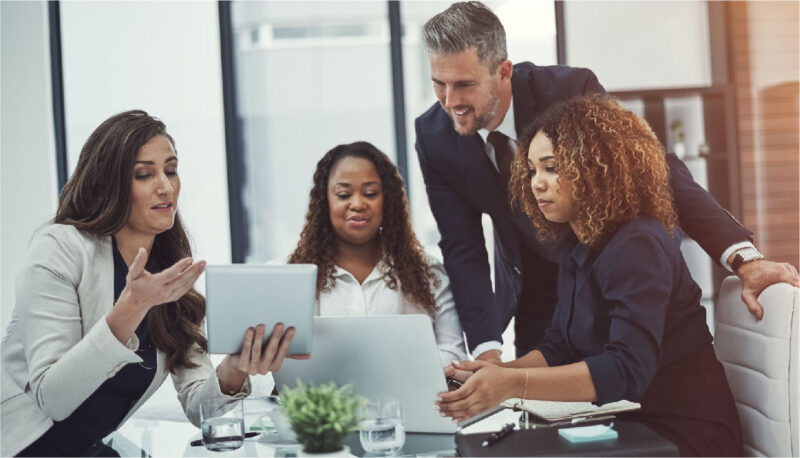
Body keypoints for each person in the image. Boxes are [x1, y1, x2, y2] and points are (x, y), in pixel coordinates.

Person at [415, 1, 800, 362]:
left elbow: (657, 170)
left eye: (463, 85)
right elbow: (462, 247)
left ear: (503, 71)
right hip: (538, 291)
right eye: (439, 84)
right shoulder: (434, 137)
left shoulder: (567, 91)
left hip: (617, 274)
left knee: (631, 390)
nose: (450, 101)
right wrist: (486, 348)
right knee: (545, 417)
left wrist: (743, 257)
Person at [438, 94, 749, 456]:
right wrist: (493, 376)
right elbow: (561, 346)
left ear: (596, 166)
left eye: (552, 167)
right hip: (634, 426)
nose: (537, 182)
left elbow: (627, 368)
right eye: (533, 169)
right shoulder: (580, 243)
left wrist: (510, 384)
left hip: (687, 435)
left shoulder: (638, 243)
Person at [0, 110, 302, 457]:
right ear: (107, 184)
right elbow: (53, 399)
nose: (165, 185)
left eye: (171, 170)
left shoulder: (168, 272)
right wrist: (132, 307)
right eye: (145, 174)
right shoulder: (59, 248)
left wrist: (235, 368)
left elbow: (198, 409)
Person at [288, 141, 466, 365]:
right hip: (323, 399)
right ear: (325, 202)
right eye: (343, 195)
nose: (358, 204)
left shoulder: (427, 272)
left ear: (387, 200)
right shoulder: (293, 277)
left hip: (407, 397)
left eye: (370, 193)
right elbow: (265, 369)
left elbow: (454, 352)